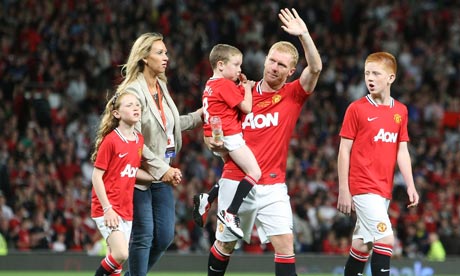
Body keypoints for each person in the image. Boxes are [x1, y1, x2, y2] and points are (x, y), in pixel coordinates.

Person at [201, 8, 322, 276]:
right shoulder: (240, 93)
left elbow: (315, 68)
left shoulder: (293, 95)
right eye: (271, 61)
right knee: (224, 245)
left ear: (291, 71)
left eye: (281, 65)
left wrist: (304, 35)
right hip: (237, 180)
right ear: (265, 60)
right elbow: (212, 128)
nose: (274, 67)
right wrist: (212, 143)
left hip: (274, 185)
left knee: (285, 246)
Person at [116, 32, 203, 276]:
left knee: (164, 237)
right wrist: (164, 169)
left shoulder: (161, 86)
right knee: (144, 235)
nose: (166, 57)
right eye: (160, 53)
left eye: (166, 52)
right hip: (139, 173)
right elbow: (132, 140)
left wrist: (197, 117)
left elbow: (167, 126)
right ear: (144, 57)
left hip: (161, 172)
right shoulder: (132, 91)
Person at [336, 52, 420, 276]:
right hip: (363, 186)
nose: (370, 78)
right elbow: (344, 150)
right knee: (385, 238)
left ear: (391, 78)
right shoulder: (357, 108)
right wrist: (344, 189)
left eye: (376, 73)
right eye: (367, 73)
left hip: (384, 188)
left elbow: (401, 150)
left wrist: (411, 185)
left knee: (363, 245)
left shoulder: (400, 111)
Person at [196, 43, 260, 239]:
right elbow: (247, 107)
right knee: (254, 172)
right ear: (221, 65)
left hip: (216, 137)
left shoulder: (210, 84)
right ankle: (230, 213)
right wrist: (248, 87)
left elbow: (225, 104)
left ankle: (207, 198)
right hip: (230, 136)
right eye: (236, 64)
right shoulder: (224, 84)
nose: (240, 69)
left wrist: (239, 86)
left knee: (231, 172)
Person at [90, 91, 154, 276]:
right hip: (109, 207)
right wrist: (107, 208)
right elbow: (96, 176)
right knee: (121, 253)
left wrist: (155, 176)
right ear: (117, 113)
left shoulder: (138, 140)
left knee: (116, 263)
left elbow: (131, 171)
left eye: (137, 104)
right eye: (129, 105)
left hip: (126, 209)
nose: (136, 107)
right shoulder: (111, 141)